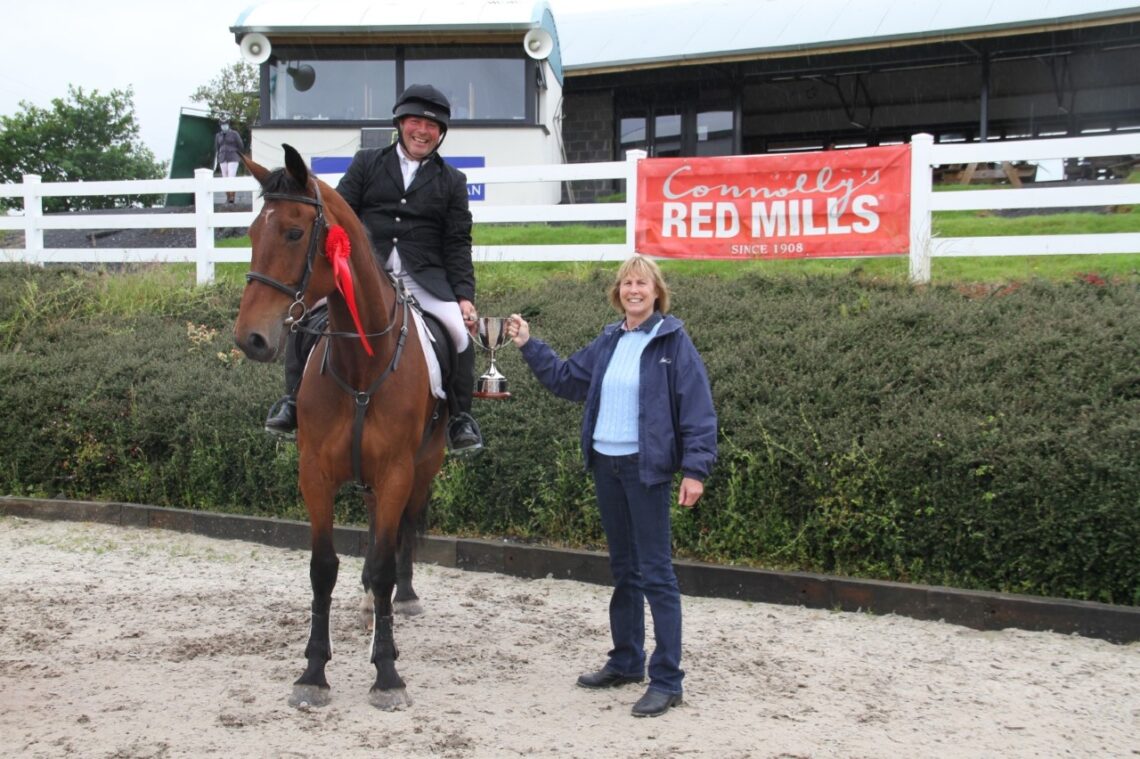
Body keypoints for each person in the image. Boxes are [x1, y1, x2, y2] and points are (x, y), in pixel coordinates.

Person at [506, 254, 717, 718]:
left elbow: (697, 408)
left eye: (641, 283)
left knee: (657, 573)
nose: (633, 290)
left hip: (646, 470)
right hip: (606, 465)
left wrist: (695, 470)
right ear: (618, 292)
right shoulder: (608, 340)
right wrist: (527, 343)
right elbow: (566, 379)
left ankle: (668, 680)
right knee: (625, 570)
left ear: (656, 292)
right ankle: (626, 661)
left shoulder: (673, 342)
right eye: (626, 283)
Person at [264, 84, 485, 457]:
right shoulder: (367, 162)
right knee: (310, 317)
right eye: (416, 122)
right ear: (400, 124)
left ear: (441, 133)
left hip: (423, 278)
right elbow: (339, 214)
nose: (423, 131)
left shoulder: (453, 181)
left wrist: (464, 297)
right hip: (365, 274)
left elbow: (457, 242)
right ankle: (291, 401)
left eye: (432, 126)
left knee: (457, 334)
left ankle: (460, 418)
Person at [214, 118, 244, 204]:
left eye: (225, 124)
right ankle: (227, 196)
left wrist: (237, 153)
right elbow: (217, 147)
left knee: (231, 176)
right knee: (225, 177)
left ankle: (232, 196)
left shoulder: (234, 134)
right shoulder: (218, 135)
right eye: (222, 125)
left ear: (228, 124)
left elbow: (241, 145)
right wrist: (218, 156)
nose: (224, 126)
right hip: (223, 158)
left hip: (233, 157)